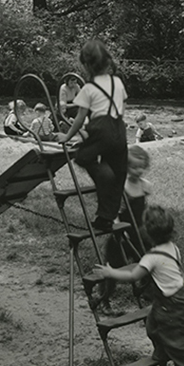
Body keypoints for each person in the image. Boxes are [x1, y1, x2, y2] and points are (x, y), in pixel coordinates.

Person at [91, 206, 184, 366]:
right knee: (152, 326)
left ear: (147, 233)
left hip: (175, 303)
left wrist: (110, 272)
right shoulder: (172, 247)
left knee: (175, 339)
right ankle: (162, 351)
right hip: (176, 297)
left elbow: (132, 276)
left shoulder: (151, 258)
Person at [54, 39, 128, 232]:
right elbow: (121, 108)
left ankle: (105, 175)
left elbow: (79, 118)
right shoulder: (118, 82)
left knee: (83, 156)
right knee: (119, 173)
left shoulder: (89, 88)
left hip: (100, 127)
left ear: (86, 66)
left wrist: (67, 136)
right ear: (107, 61)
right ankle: (105, 218)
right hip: (119, 130)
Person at [97, 145, 155, 313]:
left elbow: (145, 208)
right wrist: (116, 227)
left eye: (141, 167)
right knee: (113, 267)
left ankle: (147, 292)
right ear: (126, 166)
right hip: (121, 235)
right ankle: (104, 299)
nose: (137, 171)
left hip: (140, 233)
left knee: (148, 261)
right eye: (133, 167)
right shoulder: (123, 187)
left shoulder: (145, 186)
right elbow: (114, 209)